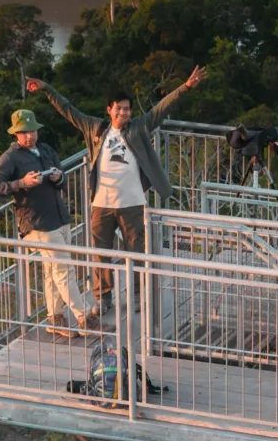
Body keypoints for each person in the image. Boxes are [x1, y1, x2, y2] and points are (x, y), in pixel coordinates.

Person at [25, 65, 207, 312]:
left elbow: (161, 109)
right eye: (119, 108)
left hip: (132, 203)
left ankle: (139, 296)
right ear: (109, 110)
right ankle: (103, 297)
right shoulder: (95, 128)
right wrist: (46, 89)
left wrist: (185, 87)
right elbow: (68, 110)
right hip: (102, 204)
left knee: (137, 254)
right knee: (101, 254)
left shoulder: (139, 127)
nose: (123, 113)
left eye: (127, 109)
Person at [0, 106, 89, 338]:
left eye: (32, 130)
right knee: (64, 269)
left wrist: (57, 176)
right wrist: (21, 183)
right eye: (24, 132)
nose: (29, 136)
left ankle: (55, 319)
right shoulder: (10, 157)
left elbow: (63, 179)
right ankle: (84, 318)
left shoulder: (45, 150)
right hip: (37, 223)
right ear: (15, 133)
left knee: (53, 271)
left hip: (59, 217)